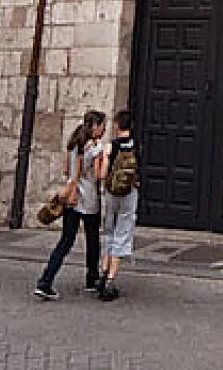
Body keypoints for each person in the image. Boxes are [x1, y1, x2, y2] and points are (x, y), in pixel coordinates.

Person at [35, 110, 105, 300]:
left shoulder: (73, 144)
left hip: (71, 198)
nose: (104, 129)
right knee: (92, 241)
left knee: (65, 241)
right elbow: (99, 175)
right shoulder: (96, 149)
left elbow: (66, 170)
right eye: (102, 125)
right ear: (95, 126)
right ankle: (92, 278)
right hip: (89, 198)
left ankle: (46, 280)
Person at [94, 109, 139, 302]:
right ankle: (111, 279)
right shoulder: (136, 145)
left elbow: (103, 175)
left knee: (110, 231)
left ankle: (103, 273)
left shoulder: (110, 147)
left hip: (111, 193)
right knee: (123, 231)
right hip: (129, 193)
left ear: (117, 125)